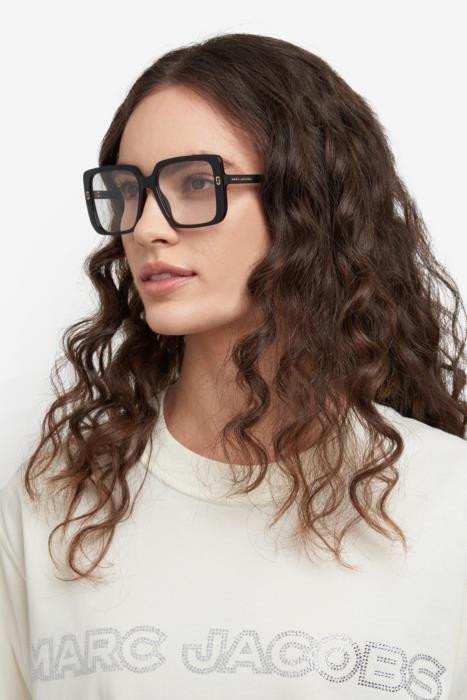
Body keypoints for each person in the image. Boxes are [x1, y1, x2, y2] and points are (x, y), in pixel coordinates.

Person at [1, 32, 466, 699]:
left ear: (310, 202)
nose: (147, 228)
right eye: (129, 190)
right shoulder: (54, 501)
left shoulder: (451, 503)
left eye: (196, 183)